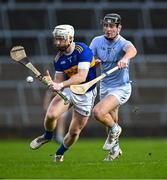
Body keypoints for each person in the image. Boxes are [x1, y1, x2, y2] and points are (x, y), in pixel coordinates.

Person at [30, 24, 97, 162]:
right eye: (56, 39)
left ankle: (59, 154)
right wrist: (52, 84)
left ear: (70, 38)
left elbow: (81, 77)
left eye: (61, 39)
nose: (57, 42)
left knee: (74, 132)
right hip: (69, 89)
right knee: (51, 114)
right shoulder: (58, 58)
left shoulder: (82, 50)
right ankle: (47, 136)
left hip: (86, 93)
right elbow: (59, 80)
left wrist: (59, 84)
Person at [89, 13, 137, 161]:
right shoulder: (97, 41)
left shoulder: (123, 42)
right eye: (105, 26)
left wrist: (125, 58)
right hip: (105, 85)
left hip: (121, 87)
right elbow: (88, 58)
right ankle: (115, 150)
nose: (108, 29)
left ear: (119, 28)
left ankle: (116, 130)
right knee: (109, 118)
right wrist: (93, 62)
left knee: (98, 112)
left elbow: (132, 50)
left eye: (111, 26)